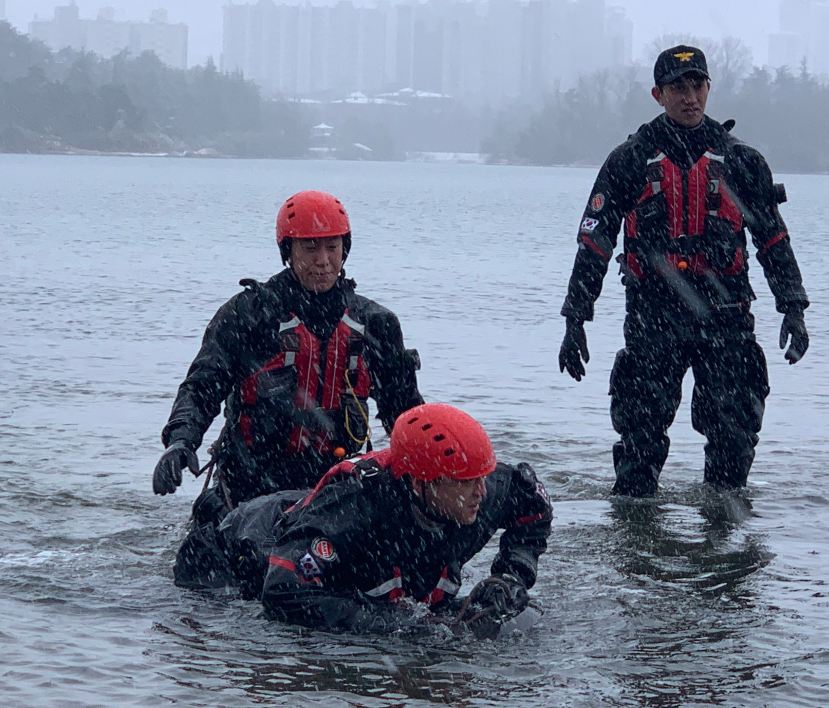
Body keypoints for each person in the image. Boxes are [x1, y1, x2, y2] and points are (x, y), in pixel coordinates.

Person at [558, 45, 810, 497]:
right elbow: (594, 244)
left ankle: (724, 544)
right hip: (654, 317)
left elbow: (773, 241)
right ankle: (637, 550)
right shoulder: (630, 160)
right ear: (658, 94)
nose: (689, 96)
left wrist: (793, 308)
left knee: (733, 446)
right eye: (678, 88)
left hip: (726, 316)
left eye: (697, 85)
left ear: (709, 88)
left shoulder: (742, 161)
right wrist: (575, 319)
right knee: (638, 453)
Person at [154, 190, 423, 522]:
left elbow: (407, 414)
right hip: (249, 484)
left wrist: (435, 472)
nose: (323, 261)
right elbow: (201, 389)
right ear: (288, 251)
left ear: (345, 249)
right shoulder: (248, 316)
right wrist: (180, 442)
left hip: (333, 484)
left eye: (332, 247)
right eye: (310, 249)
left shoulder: (375, 324)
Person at [175, 403, 553, 639]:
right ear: (421, 483)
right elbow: (283, 592)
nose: (481, 493)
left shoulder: (482, 491)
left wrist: (511, 577)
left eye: (482, 478)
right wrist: (395, 627)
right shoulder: (352, 512)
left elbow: (534, 503)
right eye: (466, 483)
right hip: (234, 551)